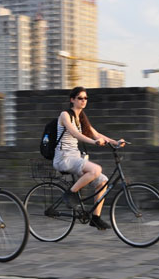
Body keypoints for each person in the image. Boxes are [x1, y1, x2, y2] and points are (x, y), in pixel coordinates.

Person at [53, 86, 124, 230]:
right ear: (72, 100)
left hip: (75, 157)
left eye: (85, 98)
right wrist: (94, 142)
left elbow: (95, 133)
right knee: (96, 169)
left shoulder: (81, 117)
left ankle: (96, 218)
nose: (83, 100)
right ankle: (70, 194)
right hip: (63, 157)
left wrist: (115, 142)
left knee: (102, 181)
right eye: (80, 98)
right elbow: (75, 134)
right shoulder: (65, 115)